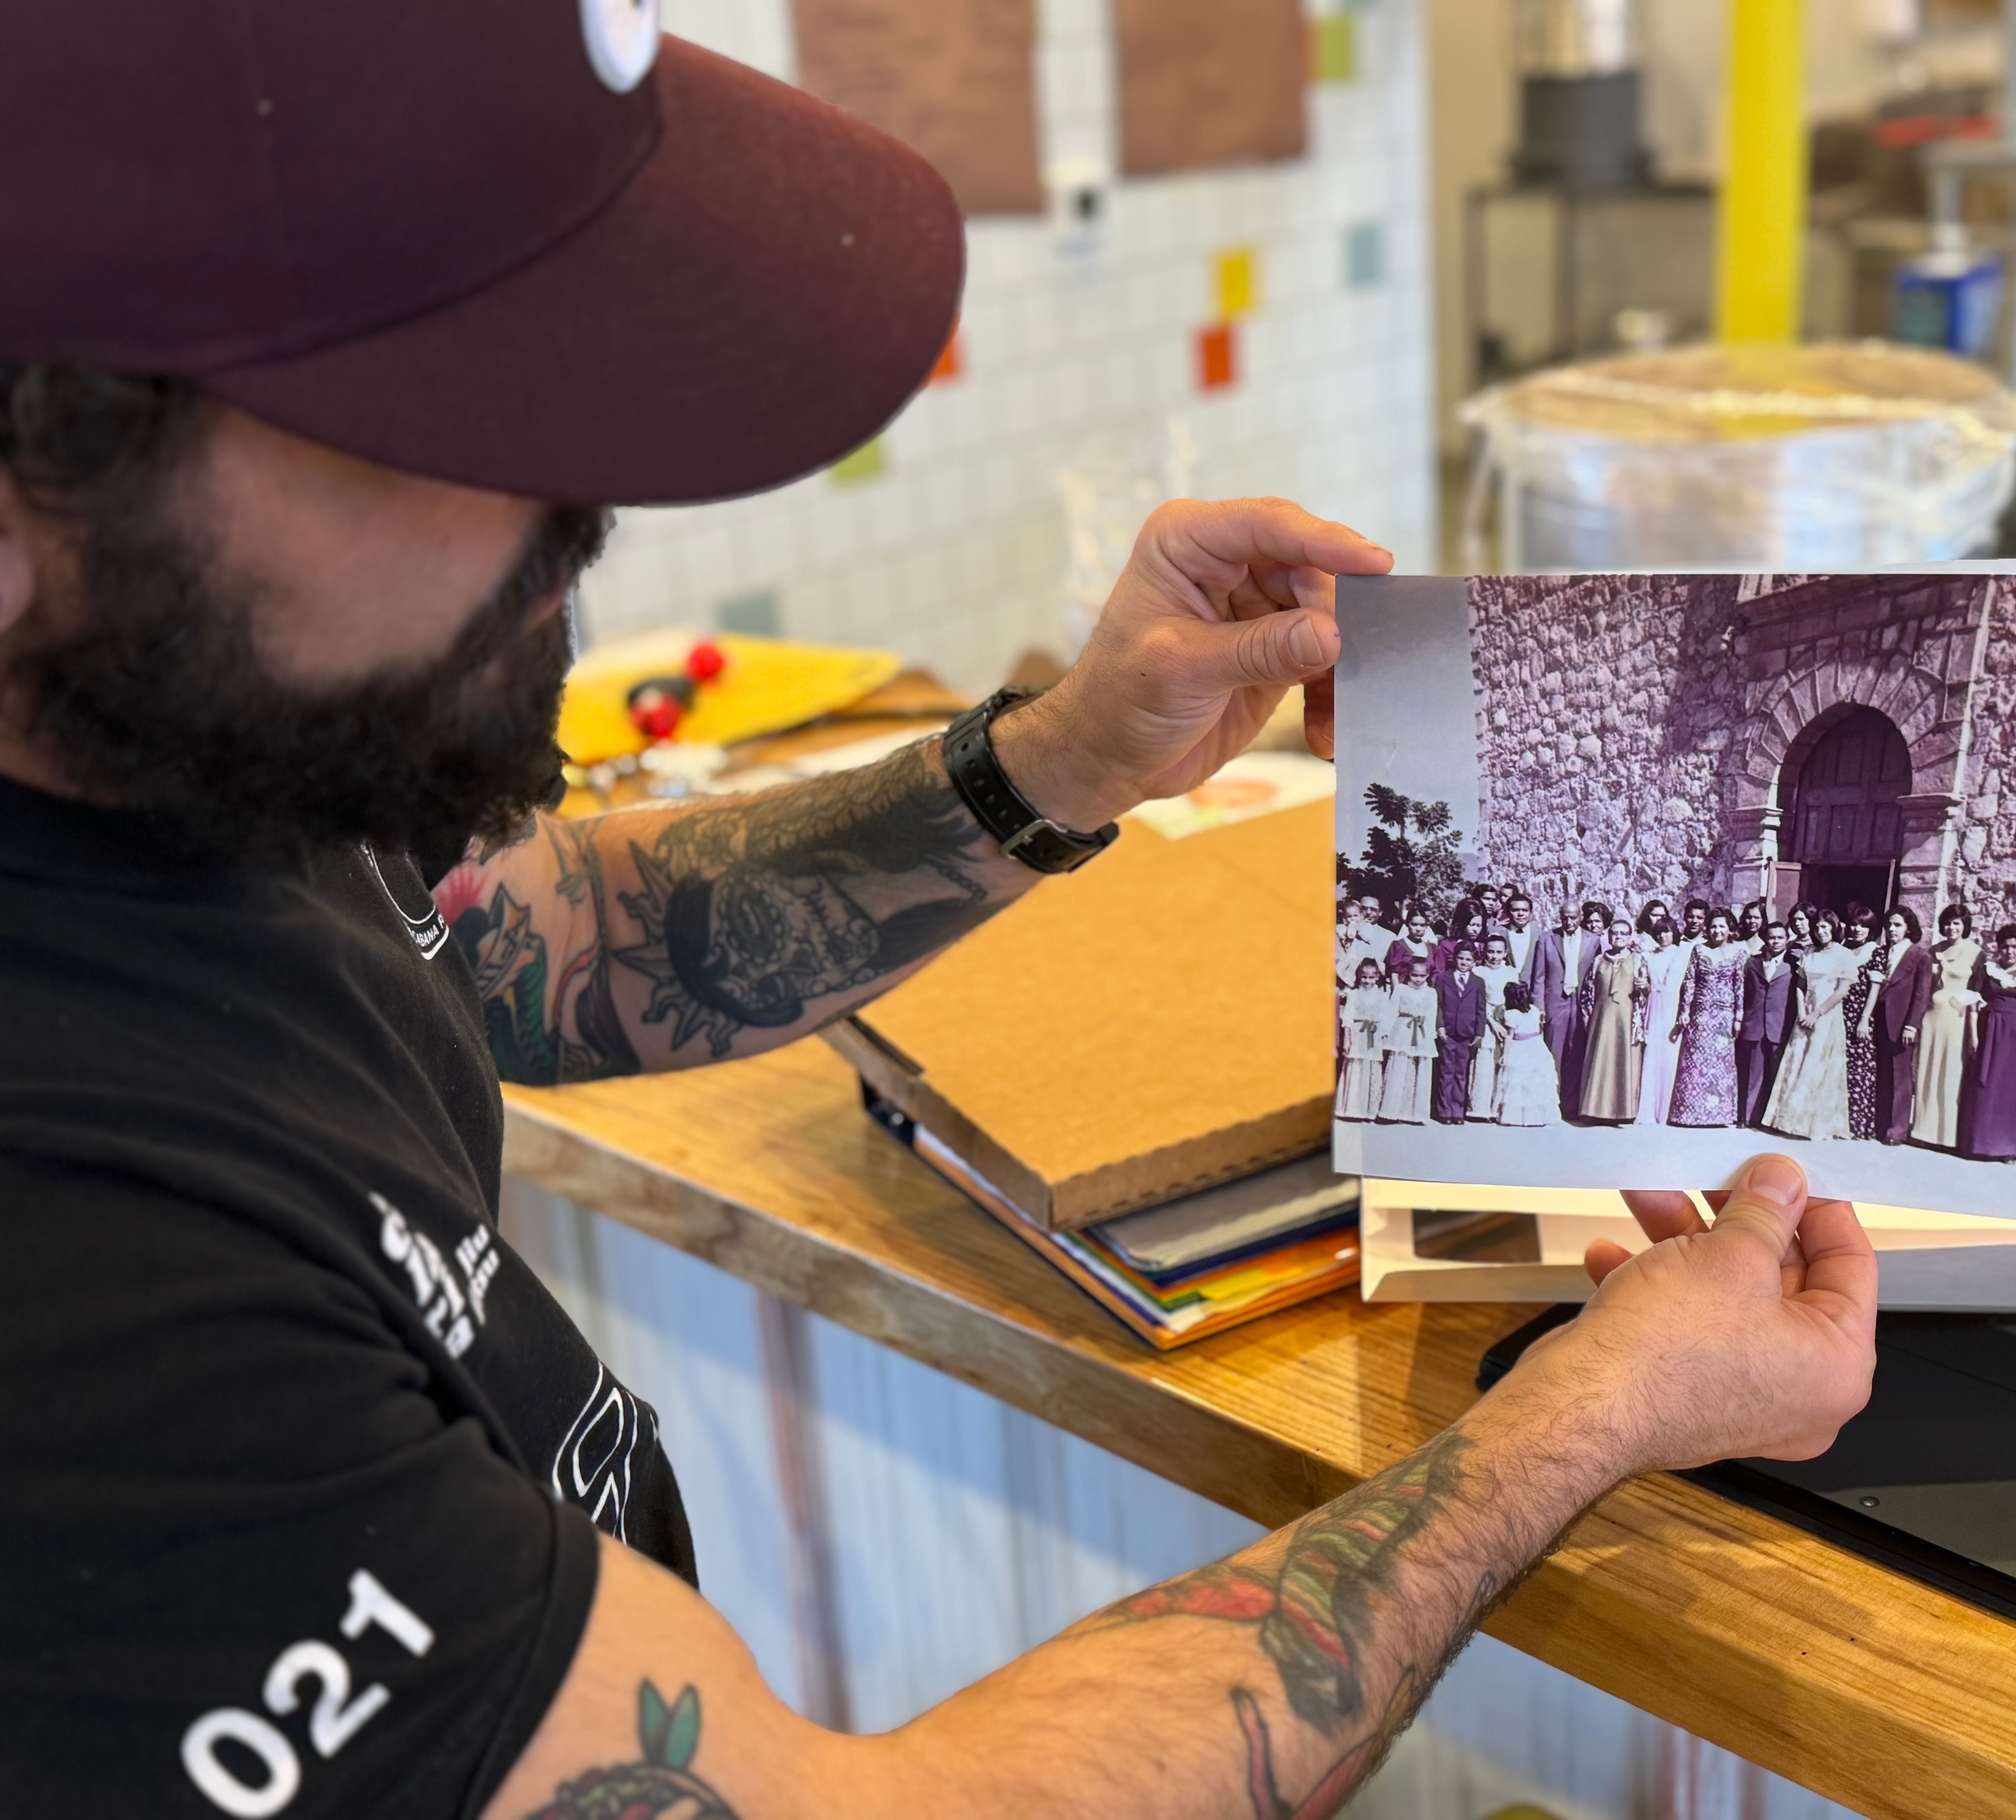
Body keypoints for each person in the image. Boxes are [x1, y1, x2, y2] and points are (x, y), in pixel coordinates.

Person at [0, 16, 1880, 1814]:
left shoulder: (173, 746)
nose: (582, 513)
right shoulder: (84, 1326)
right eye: (435, 411)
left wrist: (1053, 759)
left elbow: (505, 945)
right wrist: (1577, 1419)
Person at [1766, 910, 1859, 1141]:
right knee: (1796, 1061)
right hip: (1805, 1013)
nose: (1821, 931)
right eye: (1818, 927)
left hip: (1826, 1015)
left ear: (1834, 929)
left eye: (1826, 927)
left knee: (1818, 1065)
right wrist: (1802, 1011)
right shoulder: (1809, 952)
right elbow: (1800, 984)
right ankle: (1788, 1119)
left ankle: (1810, 1124)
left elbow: (1842, 991)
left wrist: (1818, 1013)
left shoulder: (1845, 955)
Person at [1964, 924, 2016, 1161]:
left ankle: (2008, 1149)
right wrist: (1974, 1038)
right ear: (1999, 949)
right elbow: (1973, 1007)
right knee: (1986, 1086)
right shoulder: (1987, 971)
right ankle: (1981, 1144)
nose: (2010, 952)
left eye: (2015, 947)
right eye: (2005, 947)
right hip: (1990, 1034)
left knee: (2013, 1092)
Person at [1667, 908, 1749, 1127]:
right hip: (1701, 1014)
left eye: (1722, 926)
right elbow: (1690, 981)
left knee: (1720, 1065)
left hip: (1725, 1014)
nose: (1717, 930)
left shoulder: (1739, 953)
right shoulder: (1700, 950)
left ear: (1730, 929)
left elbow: (1740, 986)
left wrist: (1738, 1017)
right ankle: (1689, 1114)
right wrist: (1685, 1010)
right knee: (1696, 1062)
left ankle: (1719, 1116)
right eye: (1713, 926)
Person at [1911, 903, 1982, 1151]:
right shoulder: (1933, 951)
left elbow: (1978, 992)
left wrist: (1974, 1030)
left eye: (1957, 924)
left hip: (1957, 1019)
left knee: (1951, 1074)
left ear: (1965, 927)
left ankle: (1947, 1136)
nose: (1952, 928)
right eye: (1948, 923)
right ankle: (1922, 1130)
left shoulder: (1975, 953)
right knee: (1928, 1071)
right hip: (1932, 1017)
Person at [1526, 899, 1602, 1118]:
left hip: (1581, 1003)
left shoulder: (1593, 941)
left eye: (1574, 917)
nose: (1569, 922)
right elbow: (1538, 976)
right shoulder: (1547, 939)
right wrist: (1539, 1006)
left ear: (1581, 918)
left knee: (1576, 1053)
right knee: (1553, 1054)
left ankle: (1571, 1106)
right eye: (1565, 917)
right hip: (1555, 1003)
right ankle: (1550, 1103)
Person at [1870, 906, 1933, 1145]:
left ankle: (1898, 1130)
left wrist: (1912, 1025)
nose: (1892, 930)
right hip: (1882, 1022)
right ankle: (1881, 1125)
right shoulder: (1884, 952)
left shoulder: (1920, 956)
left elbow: (1921, 995)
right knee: (1884, 1075)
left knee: (1901, 1078)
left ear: (1909, 929)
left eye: (1897, 925)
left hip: (1902, 1025)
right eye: (1889, 926)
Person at [1576, 919, 1642, 1123]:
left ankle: (1623, 1112)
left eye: (1624, 934)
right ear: (1609, 936)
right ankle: (1596, 1110)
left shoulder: (1639, 960)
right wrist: (1588, 1019)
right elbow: (1588, 993)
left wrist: (1644, 987)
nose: (1619, 937)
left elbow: (1645, 993)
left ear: (1630, 938)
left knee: (1623, 1061)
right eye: (1615, 933)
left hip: (1626, 1018)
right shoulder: (1598, 961)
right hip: (1602, 1019)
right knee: (1601, 1060)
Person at [1634, 908, 1691, 1125]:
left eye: (1667, 932)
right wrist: (1644, 986)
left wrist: (1684, 1012)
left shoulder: (1683, 953)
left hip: (1673, 1006)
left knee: (1670, 1057)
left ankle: (1667, 1110)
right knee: (1652, 1055)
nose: (1663, 936)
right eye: (1659, 932)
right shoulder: (1649, 956)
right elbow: (1646, 984)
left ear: (1674, 933)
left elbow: (1687, 985)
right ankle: (1649, 1110)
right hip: (1654, 1006)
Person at [1737, 920, 1796, 1127]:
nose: (1776, 942)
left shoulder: (1794, 965)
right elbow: (1744, 995)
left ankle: (1770, 1120)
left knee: (1777, 1075)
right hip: (1755, 1026)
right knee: (1753, 1074)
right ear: (1765, 939)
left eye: (1780, 938)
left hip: (1780, 1027)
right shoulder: (1752, 963)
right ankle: (1747, 1117)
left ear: (1787, 940)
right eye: (1772, 937)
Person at [1378, 954, 1439, 1124]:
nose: (1419, 980)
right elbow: (1392, 1011)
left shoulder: (1431, 993)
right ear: (1409, 974)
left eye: (1423, 976)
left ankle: (1416, 1114)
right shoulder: (1401, 990)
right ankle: (1391, 1112)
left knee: (1420, 1069)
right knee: (1400, 1066)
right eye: (1415, 975)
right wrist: (1385, 1031)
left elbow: (1432, 1016)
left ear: (1428, 976)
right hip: (1403, 1031)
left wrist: (1430, 1036)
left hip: (1422, 1031)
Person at [1839, 904, 1883, 1142]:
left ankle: (1858, 1125)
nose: (1858, 930)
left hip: (1860, 1017)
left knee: (1859, 1071)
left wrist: (1865, 1019)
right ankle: (1839, 1122)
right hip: (1839, 1014)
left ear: (1871, 929)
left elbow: (1874, 990)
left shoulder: (1874, 952)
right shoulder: (1844, 948)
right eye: (1855, 924)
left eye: (1864, 926)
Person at [1468, 932, 1523, 1121]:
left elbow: (1515, 1001)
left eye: (1499, 952)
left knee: (1503, 1061)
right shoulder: (1478, 972)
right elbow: (1478, 1003)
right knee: (1485, 1061)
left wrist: (1507, 1023)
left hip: (1506, 1020)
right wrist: (1491, 1022)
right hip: (1486, 1020)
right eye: (1490, 952)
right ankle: (1480, 1107)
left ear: (1505, 953)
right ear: (1484, 952)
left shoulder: (1511, 973)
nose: (1494, 956)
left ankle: (1498, 1108)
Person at [1492, 981, 1560, 1126]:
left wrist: (1505, 1054)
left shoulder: (1511, 1015)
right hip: (1536, 1046)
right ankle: (1538, 1117)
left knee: (1519, 1083)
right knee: (1534, 1082)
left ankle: (1516, 1117)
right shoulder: (1535, 1011)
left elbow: (1510, 1036)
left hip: (1520, 1047)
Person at [1433, 943, 1488, 1123]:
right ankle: (1444, 1112)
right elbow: (1438, 1005)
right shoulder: (1443, 978)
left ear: (1475, 962)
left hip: (1467, 1034)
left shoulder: (1478, 982)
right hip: (1448, 1032)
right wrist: (1440, 1026)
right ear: (1455, 958)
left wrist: (1479, 1033)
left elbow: (1481, 1009)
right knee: (1446, 1072)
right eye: (1461, 958)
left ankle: (1458, 1111)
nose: (1464, 963)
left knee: (1461, 1073)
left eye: (1468, 960)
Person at [1335, 959, 1393, 1120]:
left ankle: (1369, 1110)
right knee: (1356, 1069)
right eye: (1364, 977)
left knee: (1371, 1069)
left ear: (1377, 978)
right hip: (1358, 1035)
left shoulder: (1382, 996)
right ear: (1359, 977)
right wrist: (1347, 1039)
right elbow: (1348, 1018)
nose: (1368, 981)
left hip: (1373, 1036)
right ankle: (1352, 1109)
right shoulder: (1354, 995)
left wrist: (1383, 1037)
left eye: (1371, 977)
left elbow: (1386, 1018)